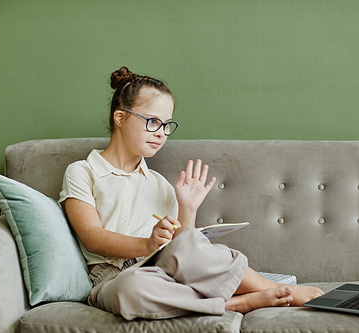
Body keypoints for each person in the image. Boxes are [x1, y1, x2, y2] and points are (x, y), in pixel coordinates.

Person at [59, 66, 323, 320]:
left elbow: (184, 251)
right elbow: (92, 237)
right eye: (152, 122)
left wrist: (188, 208)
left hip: (163, 269)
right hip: (114, 278)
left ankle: (265, 286)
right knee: (132, 290)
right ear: (120, 117)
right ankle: (236, 303)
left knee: (193, 245)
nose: (161, 134)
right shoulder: (82, 172)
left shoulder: (160, 184)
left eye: (167, 125)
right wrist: (147, 244)